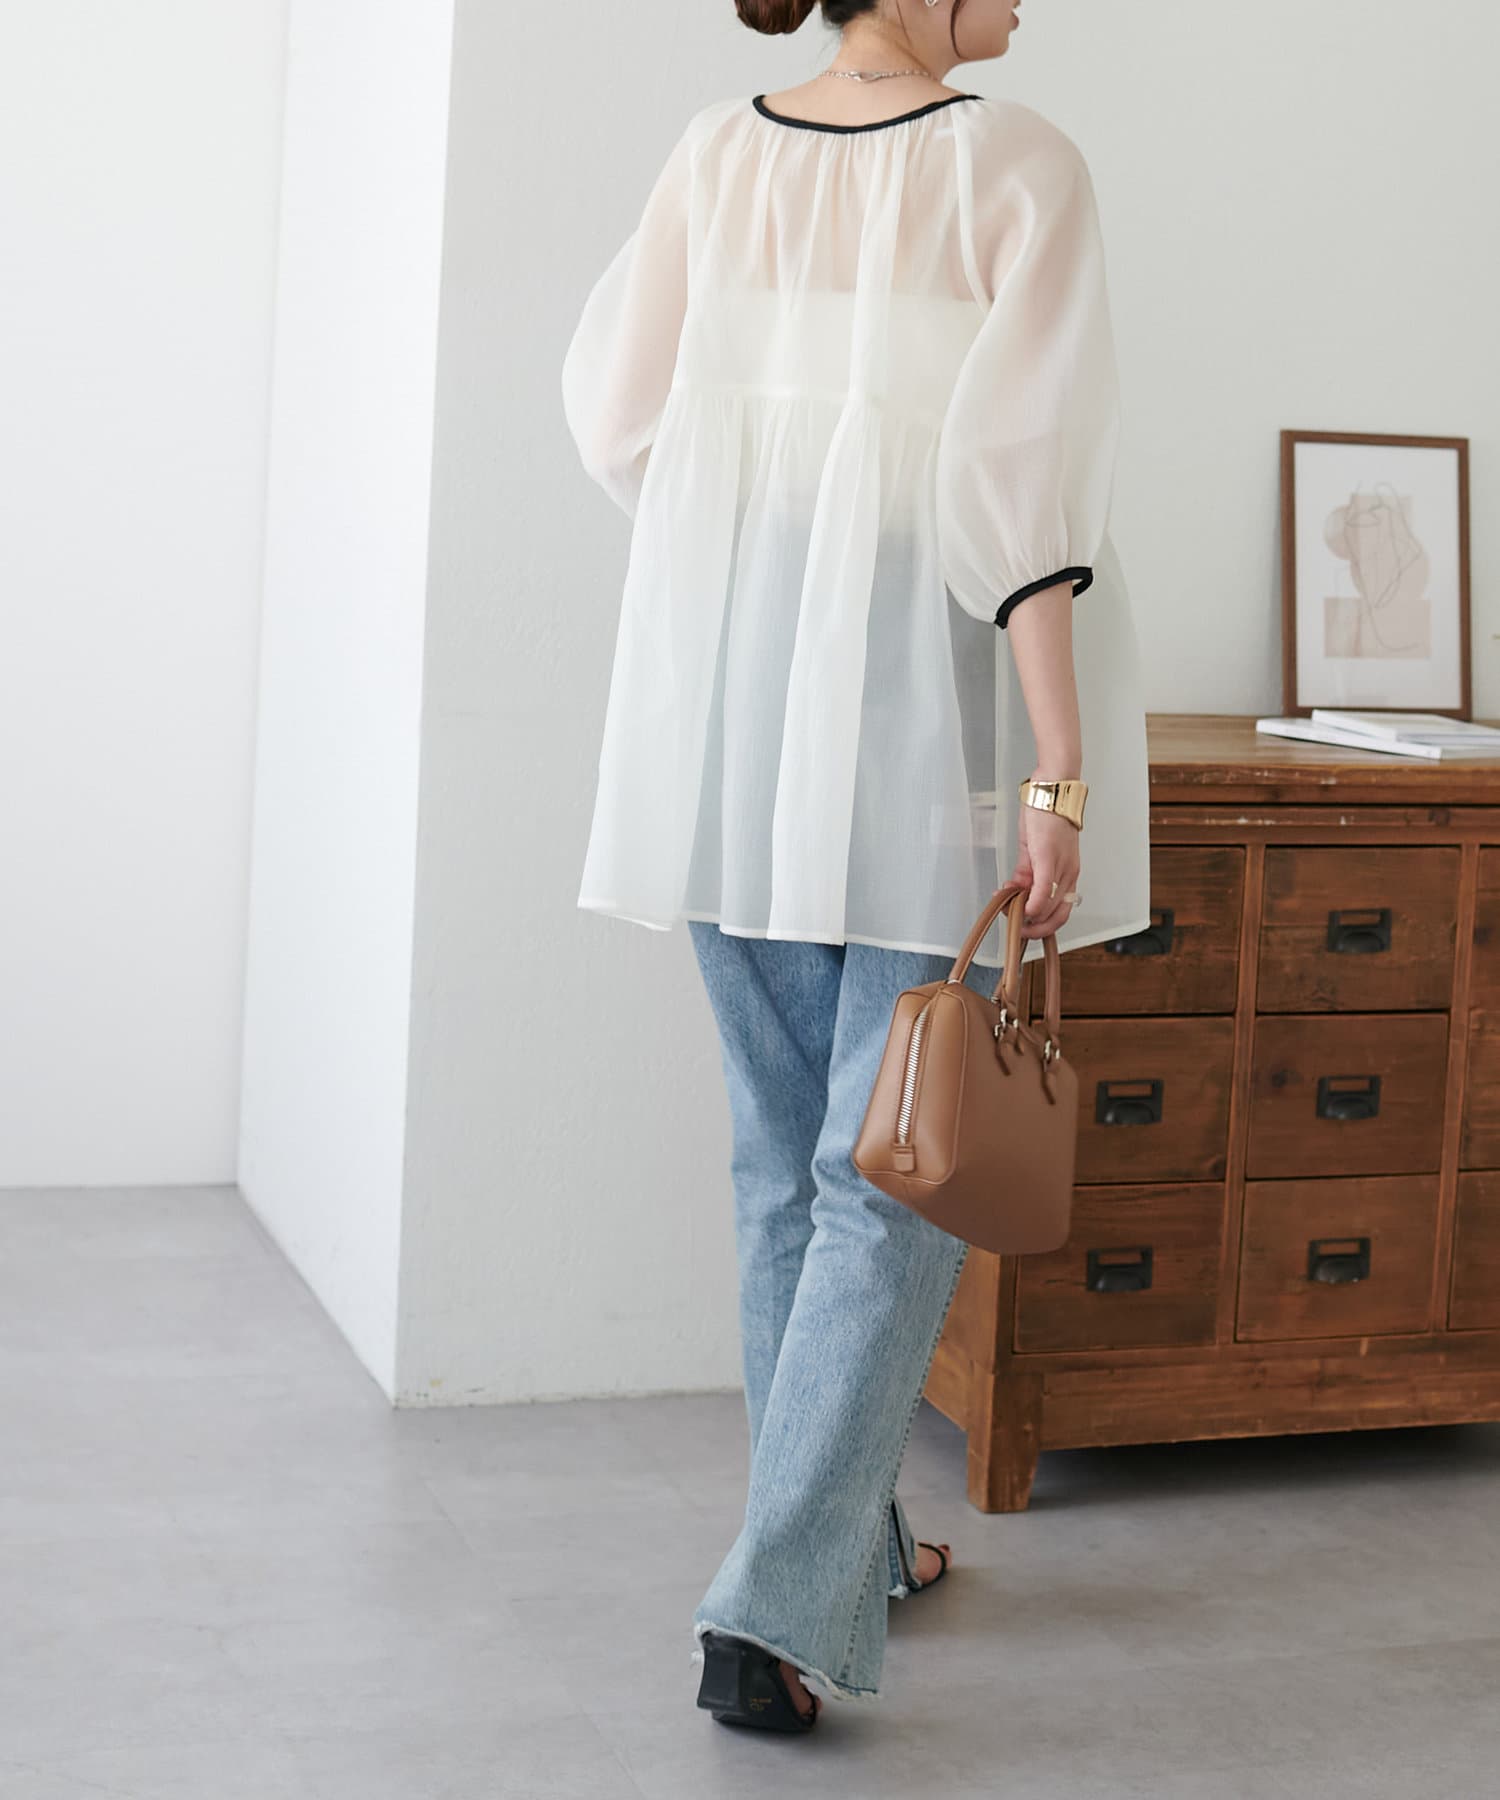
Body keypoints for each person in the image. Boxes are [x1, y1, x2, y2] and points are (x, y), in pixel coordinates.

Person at [560, 0, 1150, 1735]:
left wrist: (777, 561)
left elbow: (618, 419)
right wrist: (1056, 770)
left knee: (786, 1169)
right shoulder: (1017, 164)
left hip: (734, 732)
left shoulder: (716, 152)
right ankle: (771, 1611)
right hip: (928, 729)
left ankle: (852, 1545)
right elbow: (1021, 489)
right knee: (890, 1176)